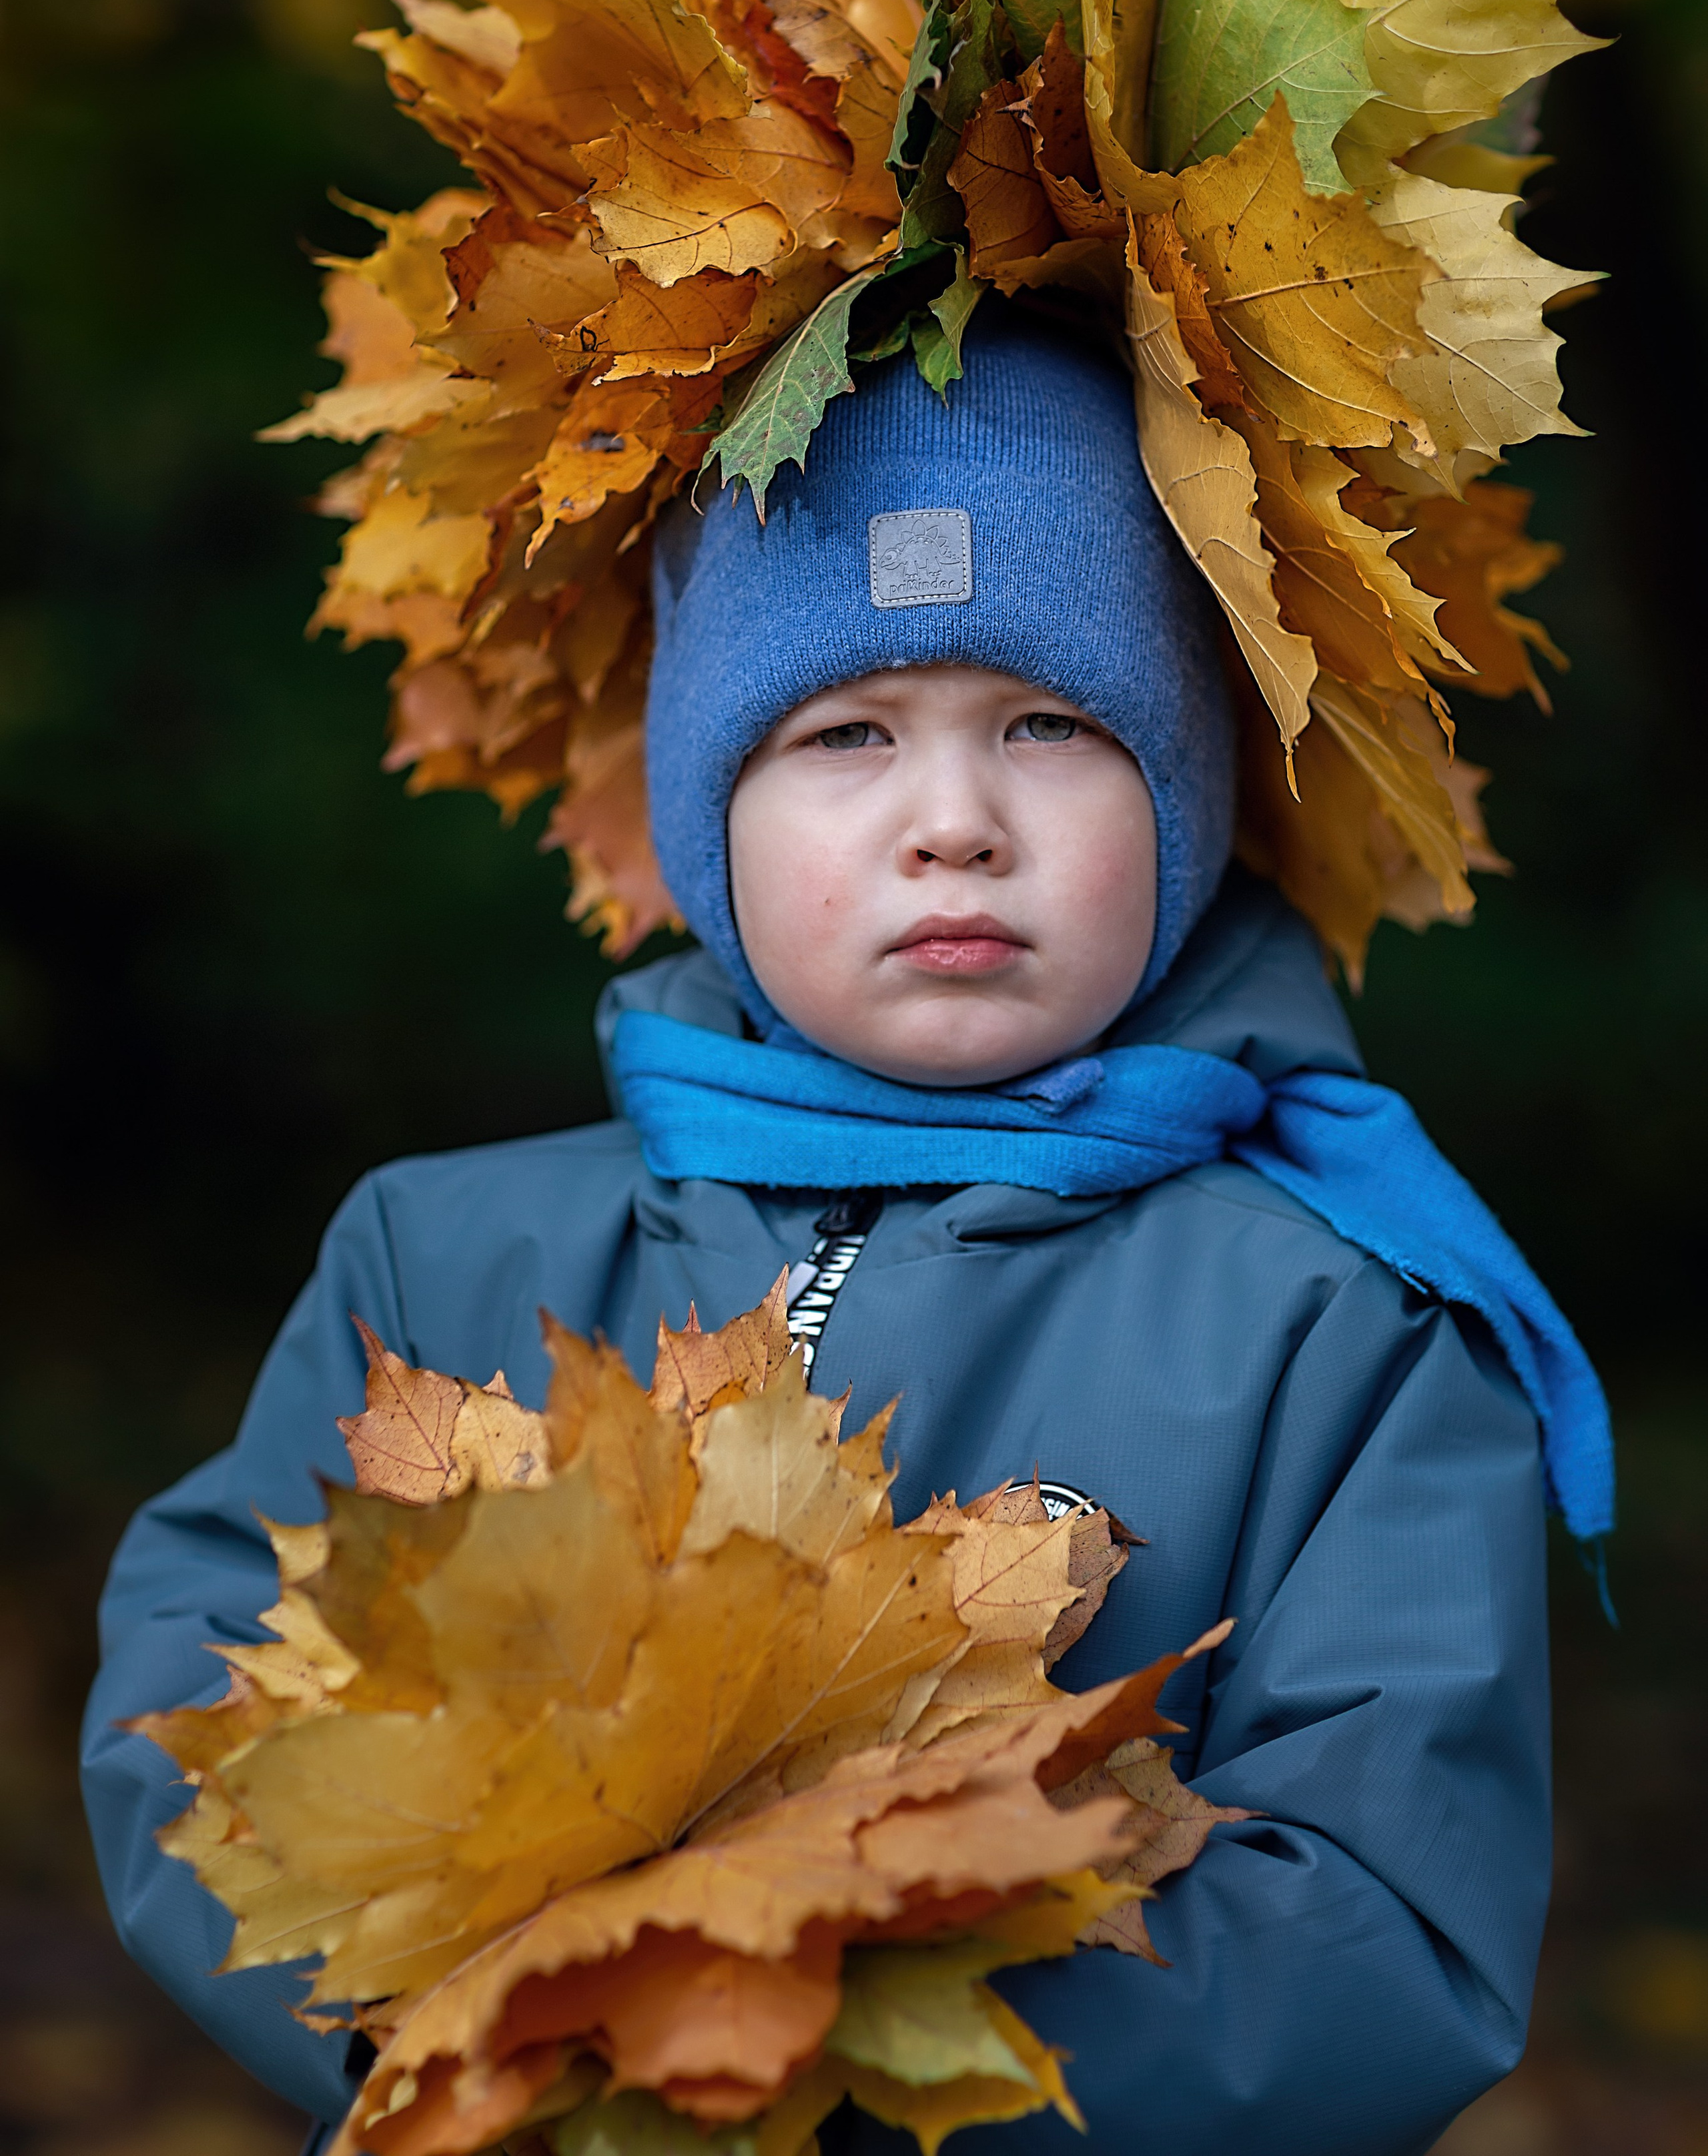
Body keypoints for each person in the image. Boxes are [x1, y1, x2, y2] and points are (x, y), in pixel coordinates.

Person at [82, 306, 1610, 2156]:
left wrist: (805, 2044)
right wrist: (480, 2047)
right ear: (705, 811)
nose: (953, 823)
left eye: (1052, 725)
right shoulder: (441, 1258)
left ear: (1192, 801)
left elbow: (1382, 1919)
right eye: (847, 733)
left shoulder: (1343, 1322)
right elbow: (210, 1709)